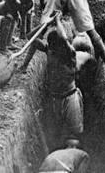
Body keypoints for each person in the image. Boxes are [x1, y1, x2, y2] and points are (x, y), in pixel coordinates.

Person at [26, 14, 85, 145]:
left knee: (73, 136)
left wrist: (57, 20)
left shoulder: (70, 54)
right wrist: (45, 25)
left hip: (70, 98)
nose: (52, 48)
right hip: (54, 99)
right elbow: (30, 38)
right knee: (55, 135)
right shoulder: (50, 51)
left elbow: (64, 39)